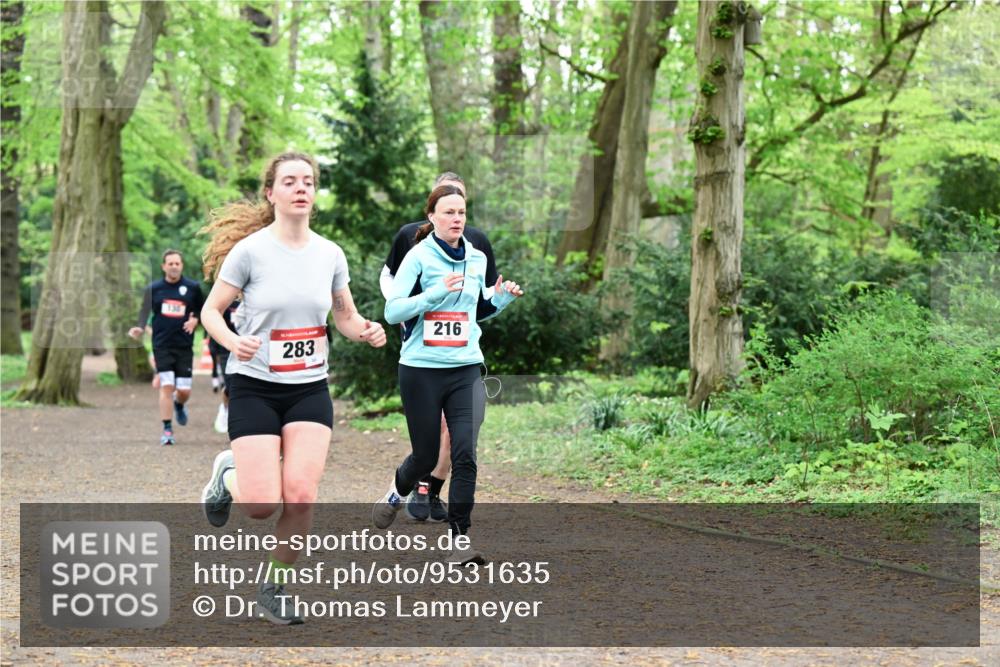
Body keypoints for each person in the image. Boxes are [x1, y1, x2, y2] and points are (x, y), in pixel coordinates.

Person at [198, 151, 387, 625]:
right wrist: (231, 341)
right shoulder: (251, 252)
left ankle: (274, 587)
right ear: (272, 193)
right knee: (261, 505)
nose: (301, 188)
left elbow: (343, 315)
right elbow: (210, 312)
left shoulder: (330, 254)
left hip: (308, 389)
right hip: (255, 386)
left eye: (308, 181)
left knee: (301, 494)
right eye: (290, 181)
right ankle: (226, 475)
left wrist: (366, 329)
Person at [373, 184, 522, 565]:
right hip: (421, 369)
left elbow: (476, 311)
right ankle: (397, 491)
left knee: (465, 455)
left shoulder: (475, 258)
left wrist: (501, 299)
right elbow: (393, 312)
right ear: (432, 218)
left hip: (466, 368)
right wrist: (433, 294)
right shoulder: (418, 257)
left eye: (462, 212)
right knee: (424, 457)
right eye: (450, 212)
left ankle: (459, 538)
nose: (457, 219)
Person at [128, 250, 204, 446]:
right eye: (170, 263)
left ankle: (179, 404)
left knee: (184, 390)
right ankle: (167, 429)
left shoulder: (192, 288)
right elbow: (144, 312)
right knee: (167, 386)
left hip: (184, 345)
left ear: (182, 266)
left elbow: (202, 310)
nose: (174, 266)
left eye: (177, 263)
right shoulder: (153, 289)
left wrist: (195, 319)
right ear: (163, 266)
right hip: (162, 345)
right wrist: (140, 327)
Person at [209, 299, 241, 433]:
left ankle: (240, 421)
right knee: (230, 386)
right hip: (225, 349)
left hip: (249, 346)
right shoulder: (224, 299)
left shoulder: (251, 297)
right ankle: (225, 408)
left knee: (242, 386)